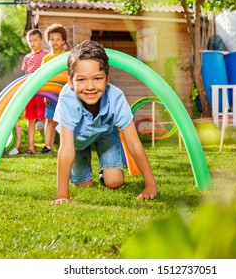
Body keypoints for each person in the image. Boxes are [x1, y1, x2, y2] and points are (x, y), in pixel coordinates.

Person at [51, 40, 157, 205]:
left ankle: (106, 172)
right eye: (82, 80)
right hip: (77, 142)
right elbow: (66, 149)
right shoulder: (67, 100)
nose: (90, 86)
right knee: (84, 185)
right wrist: (62, 195)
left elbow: (134, 144)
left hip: (105, 133)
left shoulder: (116, 97)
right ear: (70, 82)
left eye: (97, 78)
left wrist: (150, 185)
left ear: (107, 79)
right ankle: (83, 173)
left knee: (114, 182)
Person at [40, 24, 68, 154]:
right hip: (51, 91)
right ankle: (47, 146)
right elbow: (43, 77)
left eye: (58, 39)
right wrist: (45, 95)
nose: (55, 42)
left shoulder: (66, 56)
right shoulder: (46, 58)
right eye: (52, 39)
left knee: (64, 119)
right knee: (50, 119)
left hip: (64, 91)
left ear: (63, 41)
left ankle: (65, 145)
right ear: (48, 41)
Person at [21, 29, 48, 154]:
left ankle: (47, 147)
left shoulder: (46, 55)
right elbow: (26, 74)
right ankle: (31, 147)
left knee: (44, 118)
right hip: (30, 92)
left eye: (35, 40)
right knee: (30, 119)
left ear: (41, 41)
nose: (32, 43)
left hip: (43, 91)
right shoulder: (27, 57)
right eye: (30, 41)